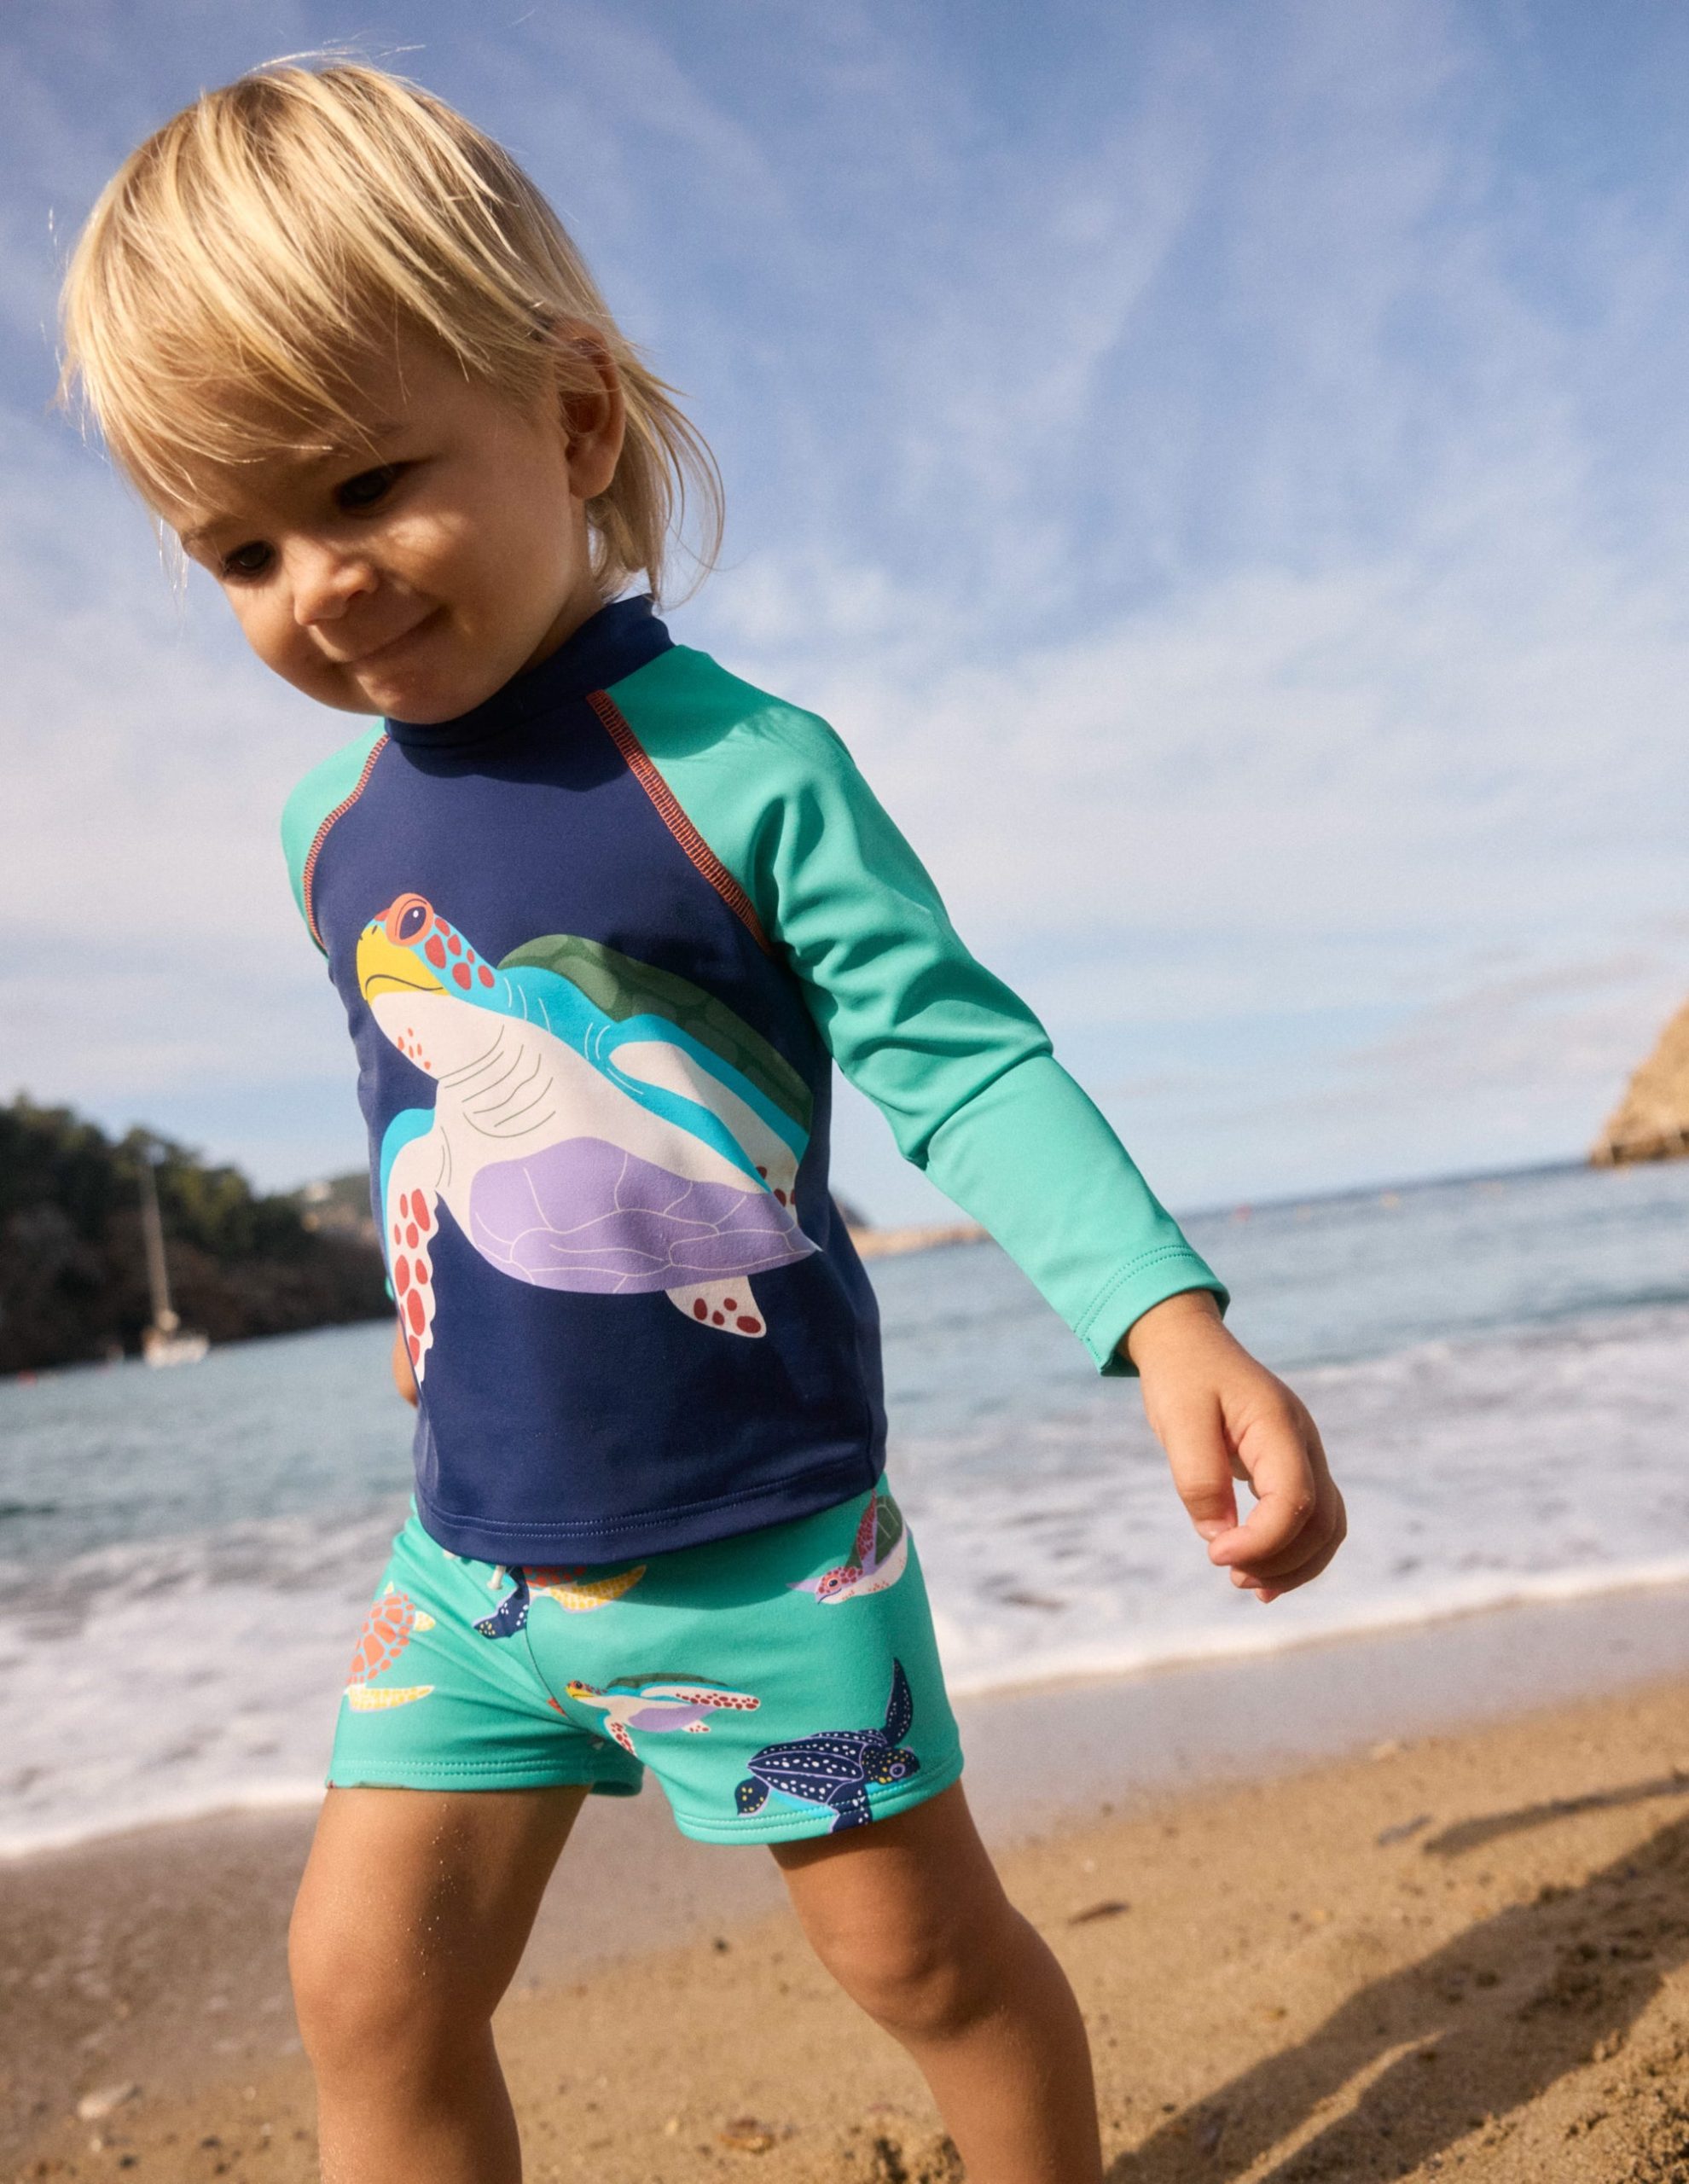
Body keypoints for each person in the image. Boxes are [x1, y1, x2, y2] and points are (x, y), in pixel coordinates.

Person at [60, 61, 1344, 2184]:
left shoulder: (743, 767)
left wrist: (1167, 1319)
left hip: (764, 1544)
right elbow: (420, 1130)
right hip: (472, 1560)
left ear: (573, 420)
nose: (322, 583)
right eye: (243, 548)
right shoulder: (326, 830)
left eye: (367, 483)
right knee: (365, 1986)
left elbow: (958, 1057)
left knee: (923, 1960)